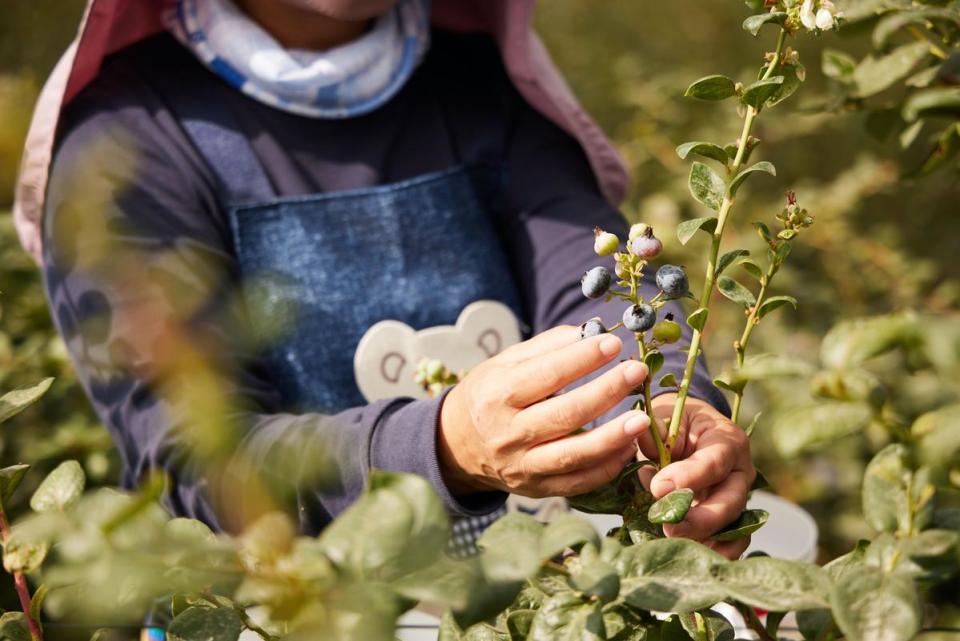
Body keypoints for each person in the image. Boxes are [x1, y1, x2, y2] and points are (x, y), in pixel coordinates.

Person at [14, 0, 755, 559]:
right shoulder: (129, 143)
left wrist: (670, 401)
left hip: (531, 585)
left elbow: (599, 278)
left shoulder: (477, 82)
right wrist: (442, 446)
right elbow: (195, 465)